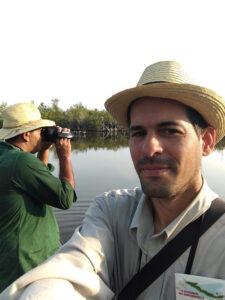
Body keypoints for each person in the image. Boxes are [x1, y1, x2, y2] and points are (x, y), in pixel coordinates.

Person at [0, 61, 225, 300]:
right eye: (138, 133)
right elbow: (70, 269)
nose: (149, 148)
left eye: (170, 131)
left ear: (207, 141)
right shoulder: (110, 212)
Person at [0, 103, 76, 293]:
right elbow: (65, 197)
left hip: (9, 258)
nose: (43, 134)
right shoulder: (21, 162)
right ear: (26, 134)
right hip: (27, 264)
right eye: (40, 130)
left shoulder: (7, 157)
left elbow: (34, 183)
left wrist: (44, 149)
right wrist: (65, 157)